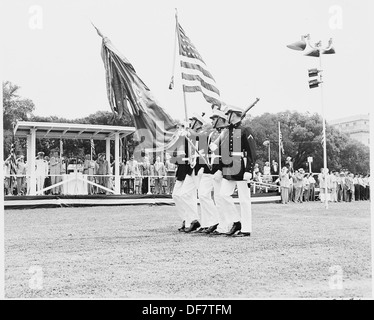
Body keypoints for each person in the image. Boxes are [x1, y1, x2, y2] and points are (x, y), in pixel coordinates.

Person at [218, 105, 256, 237]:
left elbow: (252, 151)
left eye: (228, 114)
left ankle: (246, 229)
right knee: (223, 195)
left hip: (241, 164)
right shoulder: (228, 131)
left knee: (244, 199)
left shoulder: (245, 130)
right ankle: (236, 221)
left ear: (232, 115)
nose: (226, 117)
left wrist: (249, 170)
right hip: (229, 165)